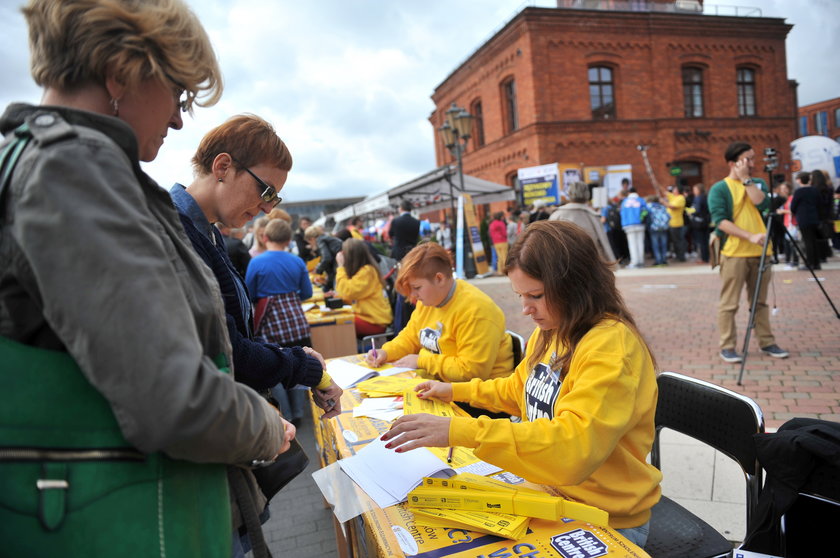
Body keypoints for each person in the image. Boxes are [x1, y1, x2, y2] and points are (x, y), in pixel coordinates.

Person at [0, 2, 290, 556]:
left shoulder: (51, 161)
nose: (180, 120)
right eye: (179, 94)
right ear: (120, 72)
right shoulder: (73, 172)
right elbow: (174, 397)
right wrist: (265, 425)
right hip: (124, 521)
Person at [380, 221, 661, 549]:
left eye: (536, 295)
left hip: (605, 518)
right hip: (551, 494)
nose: (526, 309)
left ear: (575, 286)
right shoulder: (554, 329)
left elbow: (572, 447)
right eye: (521, 296)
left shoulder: (610, 346)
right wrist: (455, 391)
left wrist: (461, 431)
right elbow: (518, 390)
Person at [169, 114, 343, 553]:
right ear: (222, 166)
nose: (268, 207)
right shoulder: (178, 232)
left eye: (276, 197)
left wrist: (297, 361)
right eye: (265, 190)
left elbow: (232, 337)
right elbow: (229, 351)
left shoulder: (203, 231)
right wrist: (303, 365)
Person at [365, 243, 514, 383]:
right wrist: (386, 353)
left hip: (477, 403)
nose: (413, 294)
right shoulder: (429, 300)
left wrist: (420, 360)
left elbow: (470, 373)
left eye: (417, 287)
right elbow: (410, 337)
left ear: (439, 279)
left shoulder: (476, 310)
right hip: (444, 388)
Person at [709, 141, 788, 363]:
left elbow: (761, 204)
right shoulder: (720, 188)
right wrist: (749, 236)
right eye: (748, 159)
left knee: (760, 302)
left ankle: (767, 342)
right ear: (733, 163)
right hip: (734, 253)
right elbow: (721, 222)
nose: (753, 163)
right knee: (729, 303)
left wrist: (746, 180)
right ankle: (728, 345)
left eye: (753, 158)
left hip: (761, 253)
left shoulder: (758, 183)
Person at [244, 218, 322, 428]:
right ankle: (298, 411)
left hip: (270, 320)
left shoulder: (257, 262)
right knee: (300, 360)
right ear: (288, 240)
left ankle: (284, 414)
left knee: (275, 363)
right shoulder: (296, 261)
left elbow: (248, 294)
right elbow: (306, 292)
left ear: (265, 237)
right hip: (296, 319)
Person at [335, 238, 393, 338]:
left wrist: (340, 267)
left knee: (338, 323)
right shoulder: (365, 270)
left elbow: (350, 291)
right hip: (369, 319)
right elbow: (356, 297)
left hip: (374, 322)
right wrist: (340, 297)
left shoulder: (367, 271)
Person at [549, 181, 615, 262]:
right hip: (590, 262)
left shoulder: (557, 215)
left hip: (564, 261)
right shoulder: (593, 216)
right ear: (587, 195)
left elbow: (550, 243)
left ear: (569, 194)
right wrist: (611, 263)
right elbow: (604, 243)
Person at [790, 170, 823, 271]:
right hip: (814, 218)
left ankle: (810, 263)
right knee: (813, 241)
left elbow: (793, 206)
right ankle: (816, 263)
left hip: (804, 218)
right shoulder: (815, 190)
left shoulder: (799, 192)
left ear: (799, 180)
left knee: (807, 241)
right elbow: (820, 203)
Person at [305, 225, 343, 291]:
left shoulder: (320, 240)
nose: (310, 244)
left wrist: (318, 270)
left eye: (309, 242)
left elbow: (327, 258)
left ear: (312, 238)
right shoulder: (326, 238)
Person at [620, 187, 648, 268]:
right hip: (640, 224)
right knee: (640, 243)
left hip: (628, 224)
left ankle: (634, 262)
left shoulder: (624, 201)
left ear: (629, 192)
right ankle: (641, 261)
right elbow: (645, 211)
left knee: (632, 244)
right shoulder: (641, 200)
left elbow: (622, 213)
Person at [645, 195, 670, 266]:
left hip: (654, 227)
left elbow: (646, 216)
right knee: (664, 244)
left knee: (655, 244)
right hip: (663, 227)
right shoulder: (662, 207)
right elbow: (668, 216)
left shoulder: (649, 206)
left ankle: (658, 260)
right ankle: (664, 259)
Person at [688, 183, 711, 263]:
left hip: (699, 223)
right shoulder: (705, 197)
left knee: (701, 241)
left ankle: (703, 258)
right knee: (705, 240)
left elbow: (696, 210)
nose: (693, 191)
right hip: (706, 222)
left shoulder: (698, 198)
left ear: (698, 190)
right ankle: (706, 257)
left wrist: (690, 212)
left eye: (694, 189)